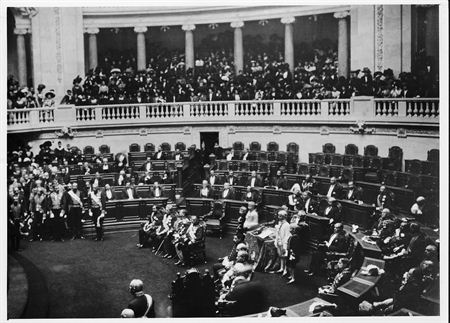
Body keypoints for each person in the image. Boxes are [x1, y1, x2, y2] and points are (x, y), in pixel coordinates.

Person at [274, 210, 291, 277]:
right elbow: (277, 233)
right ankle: (281, 268)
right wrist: (276, 241)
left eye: (280, 216)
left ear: (285, 216)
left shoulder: (287, 225)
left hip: (284, 243)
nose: (279, 217)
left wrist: (285, 246)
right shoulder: (279, 223)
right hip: (279, 242)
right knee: (280, 256)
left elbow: (287, 236)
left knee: (284, 257)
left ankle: (285, 270)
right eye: (278, 215)